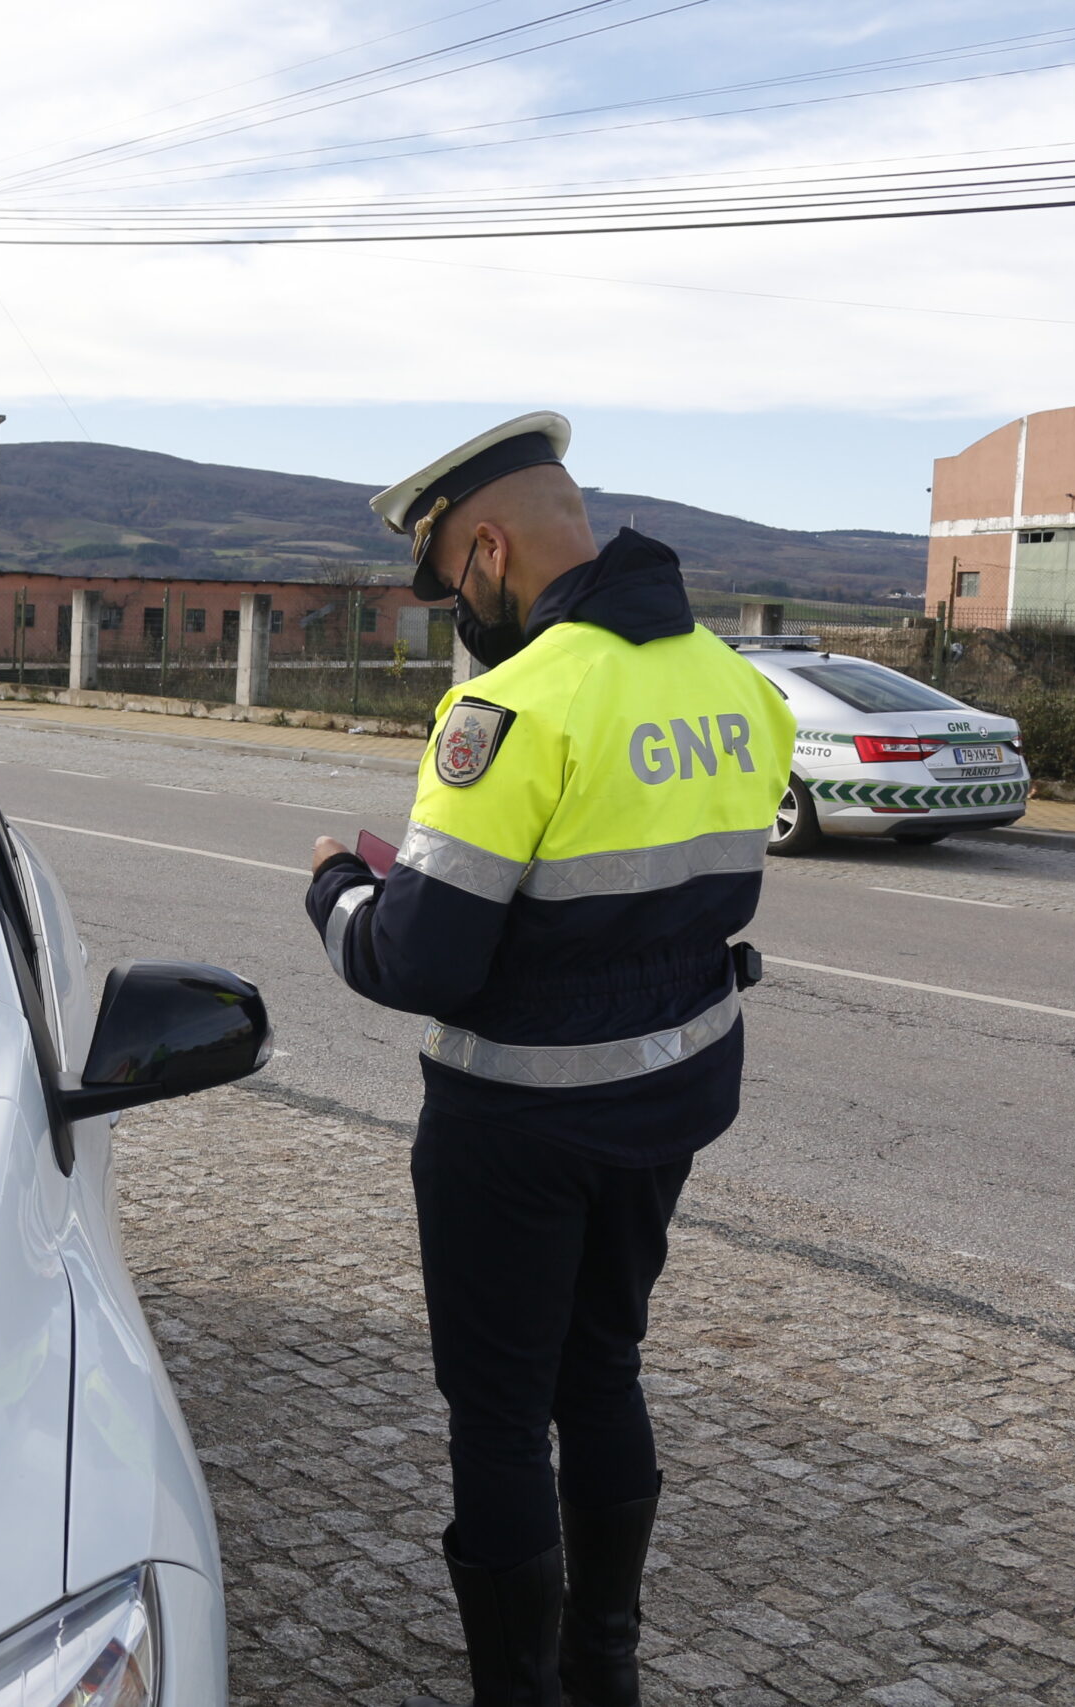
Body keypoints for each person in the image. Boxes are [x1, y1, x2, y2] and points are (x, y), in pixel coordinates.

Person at [303, 413, 792, 1707]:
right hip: (669, 1097)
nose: (457, 617)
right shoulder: (738, 688)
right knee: (604, 1367)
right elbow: (668, 888)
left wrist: (345, 891)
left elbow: (421, 965)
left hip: (516, 1127)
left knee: (503, 1412)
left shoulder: (510, 704)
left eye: (452, 585)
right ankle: (605, 1668)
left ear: (488, 551)